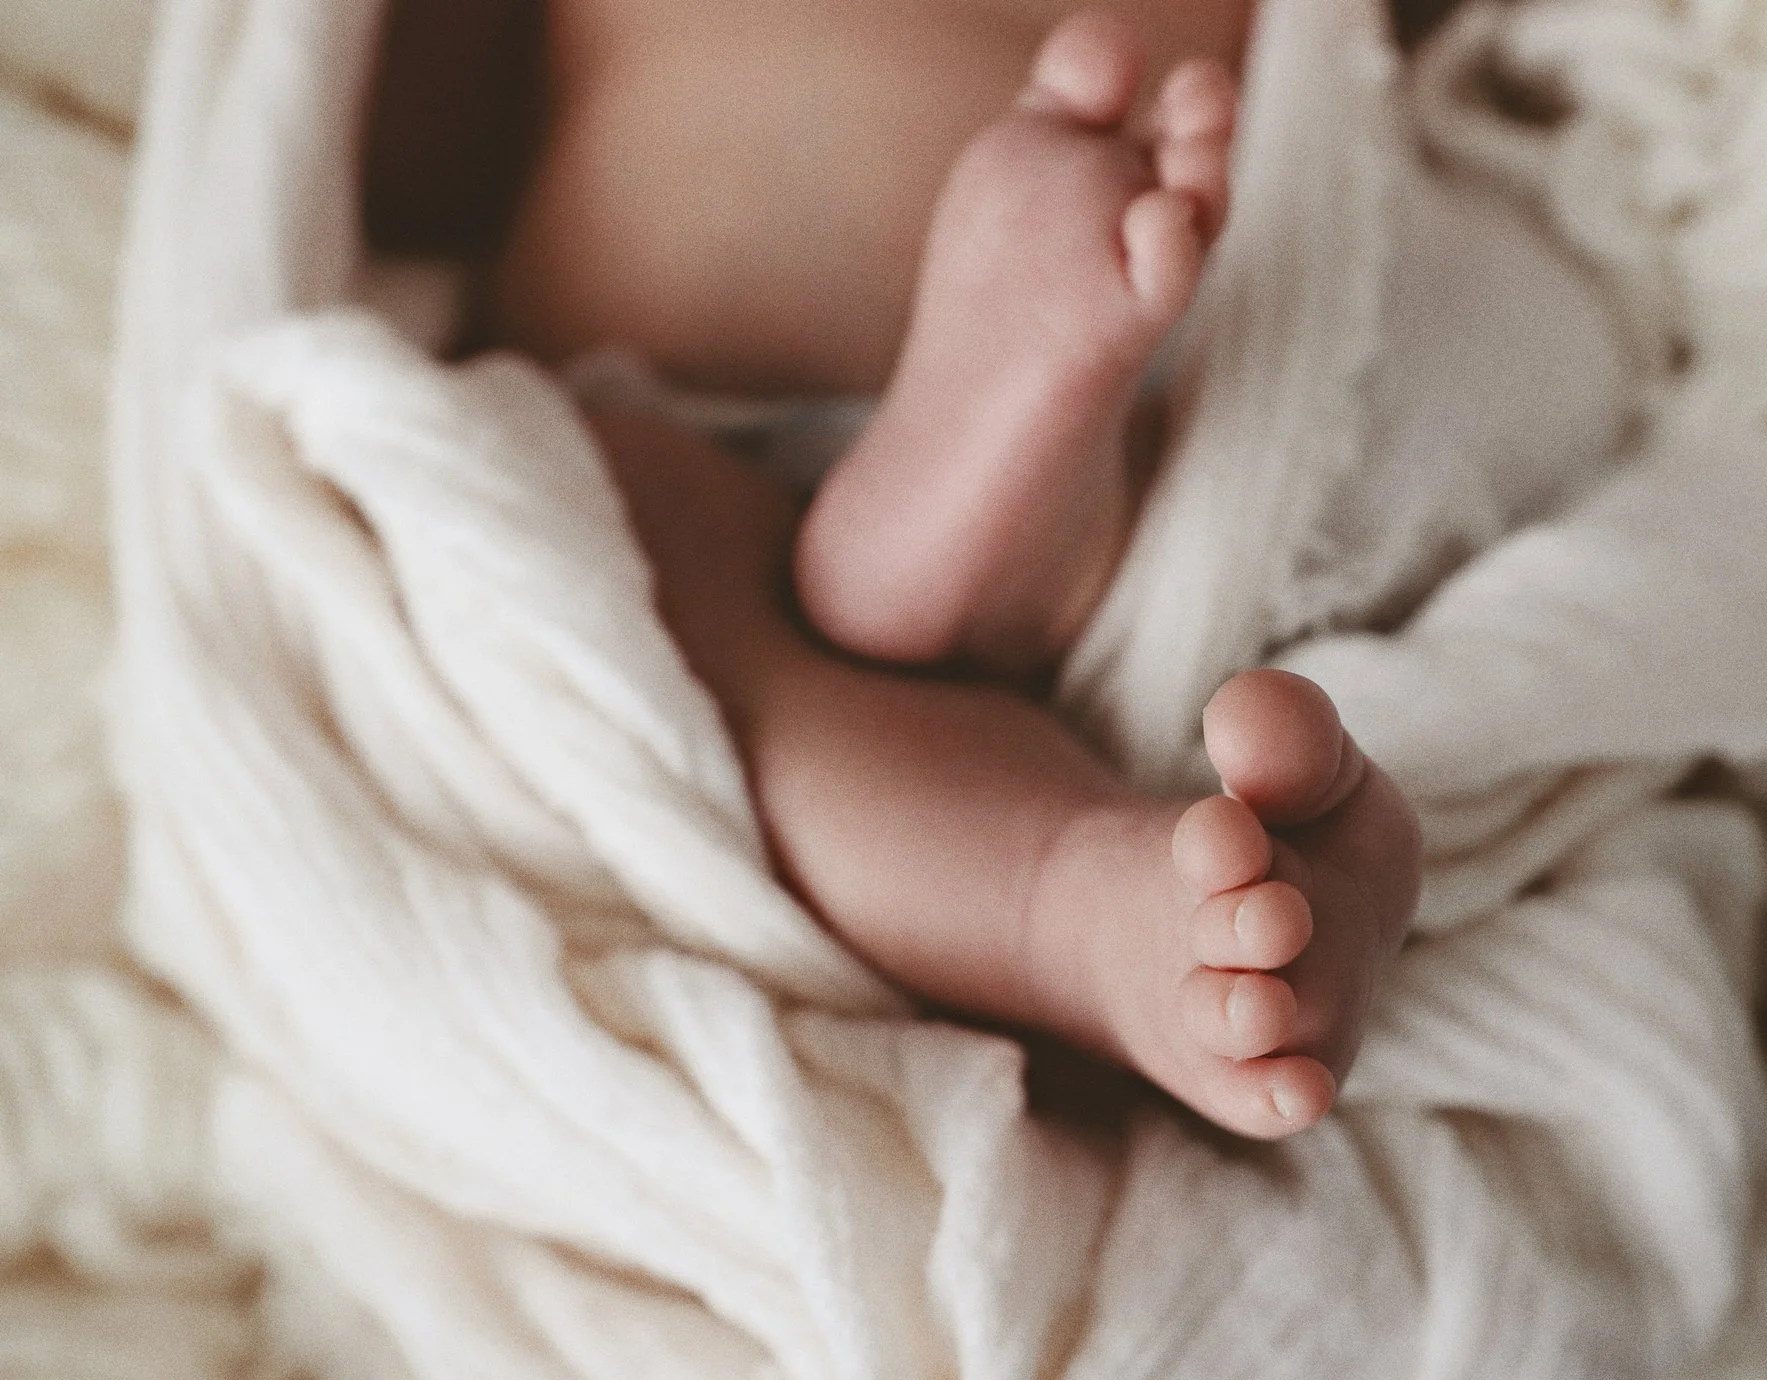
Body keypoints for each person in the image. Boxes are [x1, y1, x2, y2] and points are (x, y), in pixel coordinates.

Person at [364, 0, 1423, 1139]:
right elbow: (392, 115)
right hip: (684, 432)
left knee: (689, 640)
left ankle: (1049, 785)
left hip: (1103, 375)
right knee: (619, 578)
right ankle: (1107, 897)